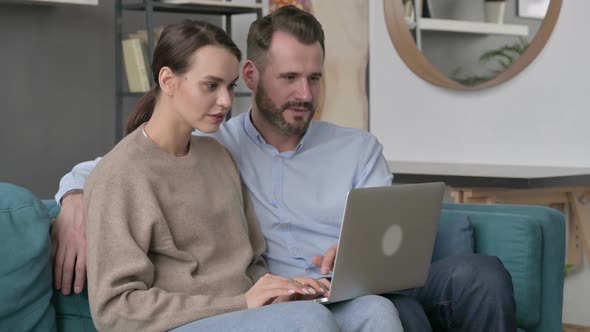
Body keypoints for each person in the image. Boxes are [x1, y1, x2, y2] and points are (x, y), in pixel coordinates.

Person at [54, 6, 515, 331]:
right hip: (276, 299)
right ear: (254, 78)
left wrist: (355, 252)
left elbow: (385, 241)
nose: (305, 94)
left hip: (347, 285)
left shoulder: (347, 148)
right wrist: (73, 201)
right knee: (385, 315)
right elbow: (125, 167)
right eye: (290, 78)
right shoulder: (219, 140)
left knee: (467, 278)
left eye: (314, 78)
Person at [80, 18, 403, 332]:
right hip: (188, 321)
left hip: (247, 312)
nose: (225, 101)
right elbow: (115, 310)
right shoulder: (121, 174)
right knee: (308, 321)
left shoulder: (217, 156)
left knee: (374, 310)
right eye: (210, 85)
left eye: (230, 86)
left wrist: (280, 291)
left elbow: (251, 261)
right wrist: (241, 303)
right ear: (168, 81)